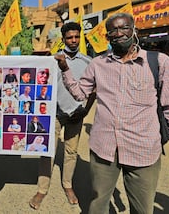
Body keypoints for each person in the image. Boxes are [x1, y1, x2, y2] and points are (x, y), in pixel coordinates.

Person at [55, 12, 169, 214]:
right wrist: (65, 69)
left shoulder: (158, 62)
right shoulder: (98, 64)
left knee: (142, 209)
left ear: (134, 31)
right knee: (97, 205)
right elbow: (80, 94)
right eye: (113, 30)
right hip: (104, 151)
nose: (119, 33)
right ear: (107, 36)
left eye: (124, 28)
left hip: (143, 152)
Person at [30, 21, 96, 210]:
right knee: (47, 151)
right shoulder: (52, 61)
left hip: (77, 114)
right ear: (64, 39)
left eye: (76, 37)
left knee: (71, 152)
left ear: (80, 37)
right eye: (69, 37)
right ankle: (42, 189)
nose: (73, 40)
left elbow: (94, 89)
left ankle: (68, 185)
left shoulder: (88, 61)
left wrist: (85, 110)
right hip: (54, 114)